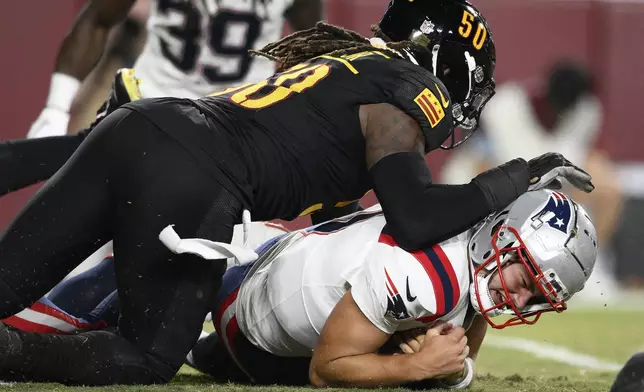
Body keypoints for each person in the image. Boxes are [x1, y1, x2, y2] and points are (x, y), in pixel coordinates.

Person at [0, 0, 593, 386]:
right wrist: (520, 175)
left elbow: (340, 210)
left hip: (143, 125)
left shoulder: (352, 65)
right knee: (148, 357)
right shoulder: (404, 98)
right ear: (445, 64)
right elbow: (414, 218)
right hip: (196, 178)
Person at [0, 190, 599, 388]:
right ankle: (26, 327)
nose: (520, 300)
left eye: (539, 298)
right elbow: (326, 369)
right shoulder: (427, 277)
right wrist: (418, 369)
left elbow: (457, 344)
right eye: (525, 278)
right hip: (246, 294)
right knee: (143, 287)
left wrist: (447, 365)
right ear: (502, 236)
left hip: (284, 256)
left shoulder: (469, 235)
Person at [27, 0, 322, 138]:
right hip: (150, 107)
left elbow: (312, 48)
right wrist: (56, 109)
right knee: (94, 226)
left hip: (238, 121)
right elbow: (98, 20)